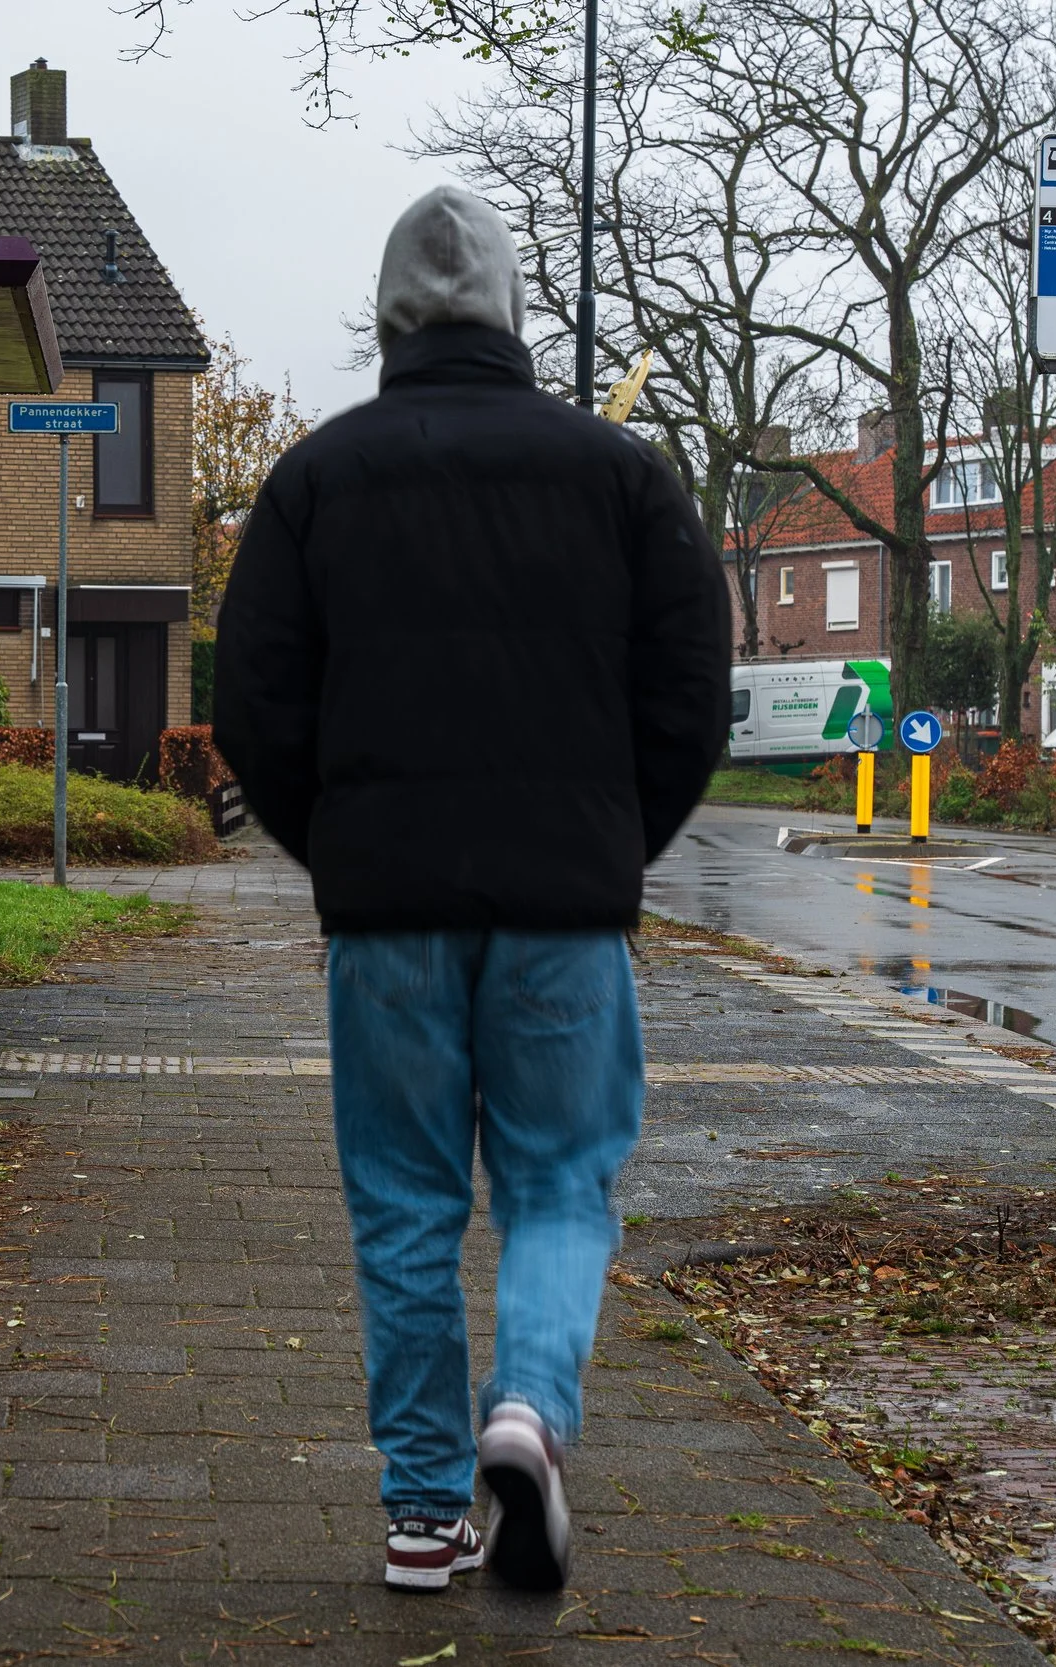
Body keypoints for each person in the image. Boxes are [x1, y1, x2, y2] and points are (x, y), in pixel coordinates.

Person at [212, 185, 731, 1594]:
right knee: (563, 1181)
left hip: (389, 916)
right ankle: (530, 1411)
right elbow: (692, 691)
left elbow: (251, 700)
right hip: (567, 909)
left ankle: (425, 1511)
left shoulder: (314, 482)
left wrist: (343, 842)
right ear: (513, 313)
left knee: (404, 1201)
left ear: (387, 319)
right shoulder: (620, 477)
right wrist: (615, 838)